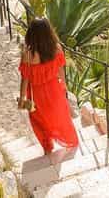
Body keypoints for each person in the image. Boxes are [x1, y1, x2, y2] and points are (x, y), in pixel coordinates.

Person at [18, 17, 79, 155]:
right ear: (48, 31)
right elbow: (61, 72)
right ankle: (70, 140)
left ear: (31, 34)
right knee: (61, 117)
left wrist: (22, 98)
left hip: (37, 94)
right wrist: (64, 88)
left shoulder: (28, 54)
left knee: (39, 120)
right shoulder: (57, 48)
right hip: (55, 90)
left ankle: (47, 146)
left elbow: (25, 79)